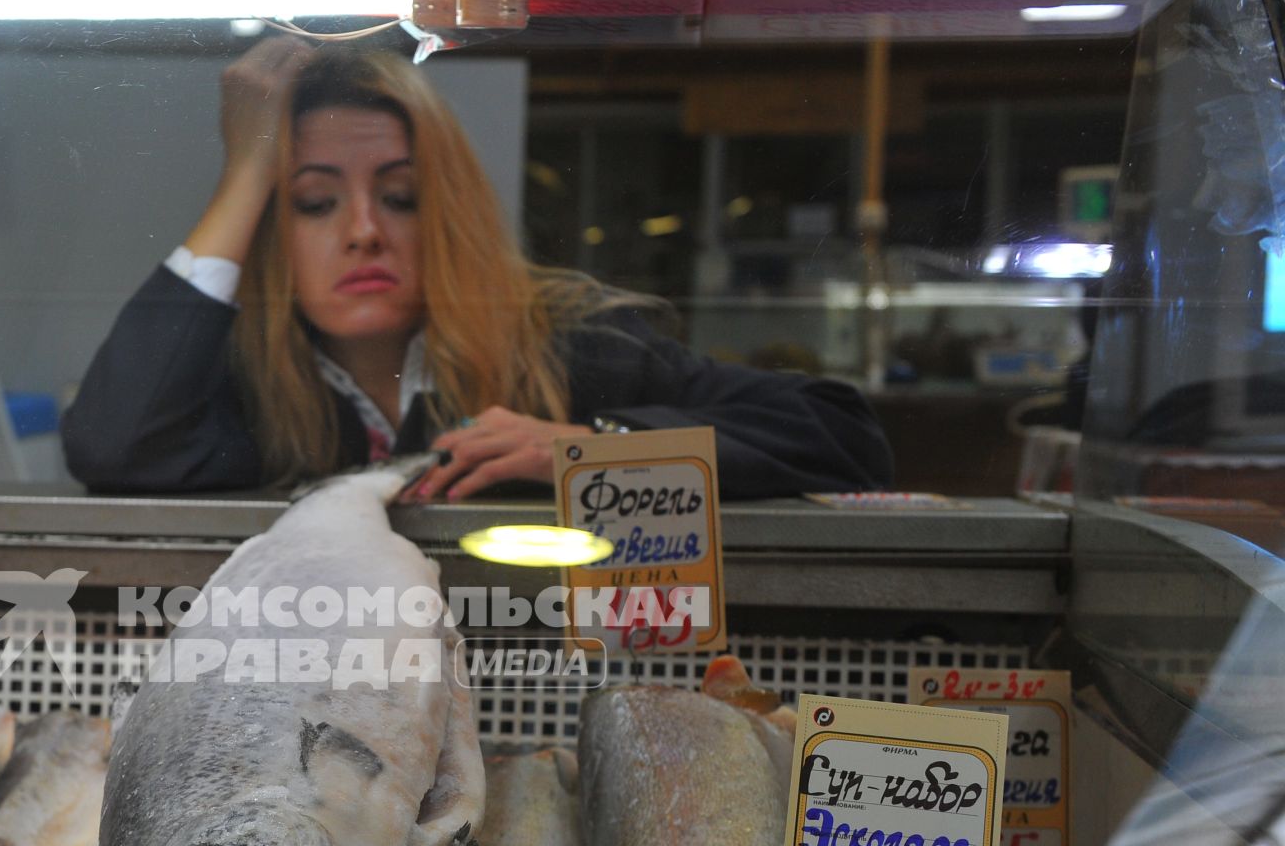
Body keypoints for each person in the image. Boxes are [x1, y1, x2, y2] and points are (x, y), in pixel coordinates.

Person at [61, 39, 892, 501]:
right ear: (272, 234)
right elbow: (111, 442)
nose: (362, 232)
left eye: (402, 197)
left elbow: (844, 436)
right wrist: (246, 171)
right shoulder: (245, 381)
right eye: (314, 204)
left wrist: (587, 448)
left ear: (448, 211)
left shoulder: (569, 345)